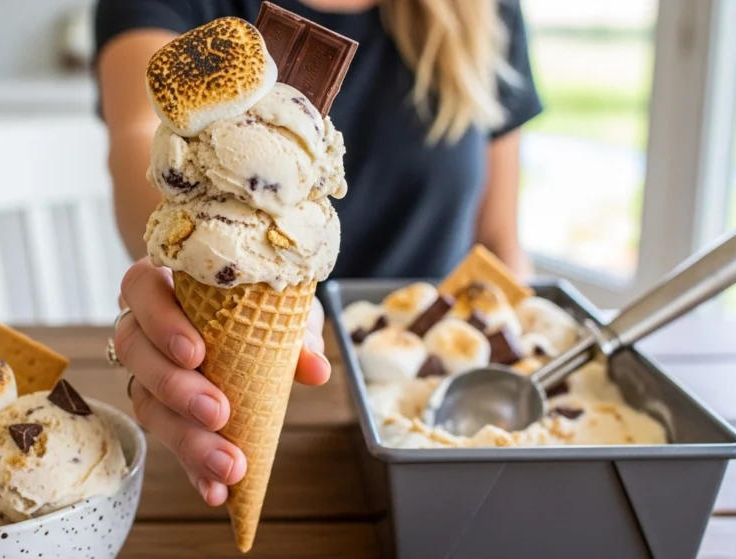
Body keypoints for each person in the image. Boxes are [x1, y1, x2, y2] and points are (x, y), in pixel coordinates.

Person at [93, 0, 542, 506]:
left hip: (434, 406)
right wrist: (206, 253)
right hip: (231, 409)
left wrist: (526, 365)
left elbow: (500, 244)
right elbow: (140, 133)